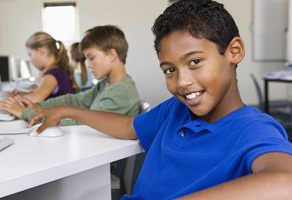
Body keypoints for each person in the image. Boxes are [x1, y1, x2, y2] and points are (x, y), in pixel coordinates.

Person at [27, 0, 292, 199]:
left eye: (195, 62)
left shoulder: (254, 129)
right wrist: (63, 110)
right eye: (169, 70)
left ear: (234, 51)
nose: (182, 81)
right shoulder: (175, 110)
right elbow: (129, 127)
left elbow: (286, 182)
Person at [0, 25, 140, 126]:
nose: (89, 65)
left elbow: (82, 123)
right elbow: (75, 100)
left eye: (91, 58)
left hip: (102, 163)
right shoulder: (108, 84)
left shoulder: (121, 92)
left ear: (111, 55)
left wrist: (26, 113)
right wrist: (38, 106)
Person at [5, 32, 78, 103]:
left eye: (30, 55)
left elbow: (34, 100)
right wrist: (22, 94)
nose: (30, 60)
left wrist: (12, 98)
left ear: (41, 52)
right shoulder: (59, 70)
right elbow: (38, 93)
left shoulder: (53, 74)